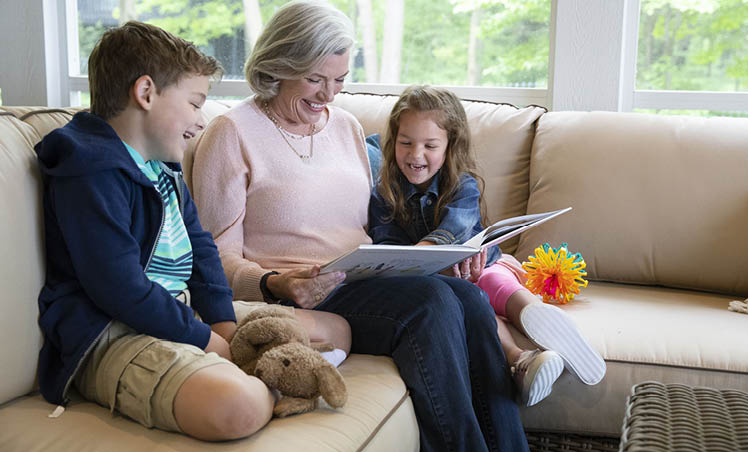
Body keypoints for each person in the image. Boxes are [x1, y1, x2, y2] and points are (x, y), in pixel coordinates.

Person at [192, 1, 529, 450]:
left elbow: (391, 213)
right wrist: (276, 283)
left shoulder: (347, 127)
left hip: (365, 277)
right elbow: (214, 258)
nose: (328, 94)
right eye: (315, 79)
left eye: (339, 80)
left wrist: (446, 255)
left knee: (467, 296)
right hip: (305, 290)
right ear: (279, 64)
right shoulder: (231, 132)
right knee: (430, 303)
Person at [34, 20, 350, 442]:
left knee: (335, 331)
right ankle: (261, 381)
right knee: (240, 406)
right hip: (111, 332)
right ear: (145, 93)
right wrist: (203, 339)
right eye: (195, 103)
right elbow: (118, 288)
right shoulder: (89, 170)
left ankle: (259, 372)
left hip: (176, 311)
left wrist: (220, 323)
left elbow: (201, 249)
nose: (201, 121)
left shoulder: (160, 163)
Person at [368, 85, 607, 406]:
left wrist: (426, 254)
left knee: (491, 281)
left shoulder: (462, 183)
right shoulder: (385, 191)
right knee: (474, 299)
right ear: (393, 140)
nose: (415, 155)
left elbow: (455, 229)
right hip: (436, 279)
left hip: (483, 264)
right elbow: (388, 245)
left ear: (451, 146)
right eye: (405, 143)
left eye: (430, 145)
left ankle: (535, 314)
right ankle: (522, 360)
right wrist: (423, 265)